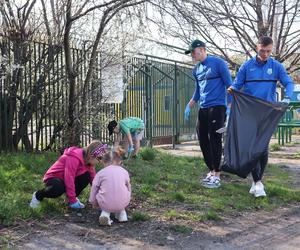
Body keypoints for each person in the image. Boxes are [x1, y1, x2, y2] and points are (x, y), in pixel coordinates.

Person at [228, 36, 294, 197]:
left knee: (262, 147)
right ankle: (257, 183)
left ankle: (257, 181)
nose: (265, 54)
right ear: (257, 48)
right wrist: (232, 90)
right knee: (252, 147)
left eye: (269, 51)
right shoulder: (246, 66)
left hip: (267, 112)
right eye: (262, 51)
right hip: (249, 112)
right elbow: (237, 85)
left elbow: (289, 83)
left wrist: (287, 97)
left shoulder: (276, 66)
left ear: (272, 50)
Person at [184, 39, 232, 188]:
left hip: (218, 108)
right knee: (202, 138)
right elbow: (198, 91)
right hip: (203, 108)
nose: (192, 55)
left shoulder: (218, 63)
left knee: (215, 139)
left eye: (193, 52)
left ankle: (217, 175)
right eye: (191, 53)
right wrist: (189, 105)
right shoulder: (196, 69)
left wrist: (229, 107)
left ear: (202, 49)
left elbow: (229, 85)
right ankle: (211, 170)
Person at [29, 140, 108, 209]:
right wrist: (72, 199)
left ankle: (69, 200)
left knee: (86, 176)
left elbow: (94, 181)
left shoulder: (89, 163)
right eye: (99, 158)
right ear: (91, 155)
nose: (100, 162)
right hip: (54, 178)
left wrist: (102, 197)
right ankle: (38, 195)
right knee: (58, 188)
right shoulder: (74, 158)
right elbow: (69, 177)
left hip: (67, 179)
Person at [89, 148, 131, 226]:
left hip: (105, 203)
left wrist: (93, 201)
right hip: (123, 202)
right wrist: (128, 197)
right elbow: (128, 186)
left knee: (104, 201)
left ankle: (105, 214)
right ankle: (122, 215)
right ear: (119, 162)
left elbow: (94, 187)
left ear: (104, 162)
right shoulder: (124, 172)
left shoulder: (101, 173)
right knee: (122, 195)